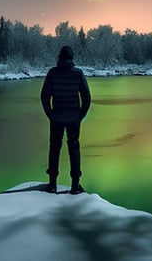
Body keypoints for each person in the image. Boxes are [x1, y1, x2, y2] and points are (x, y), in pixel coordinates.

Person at [40, 45, 91, 194]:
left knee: (54, 148)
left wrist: (50, 114)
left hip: (56, 117)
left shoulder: (52, 73)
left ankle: (52, 184)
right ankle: (75, 186)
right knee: (74, 149)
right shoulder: (78, 73)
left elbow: (44, 96)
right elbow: (87, 98)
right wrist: (80, 116)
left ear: (59, 57)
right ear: (72, 58)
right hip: (73, 118)